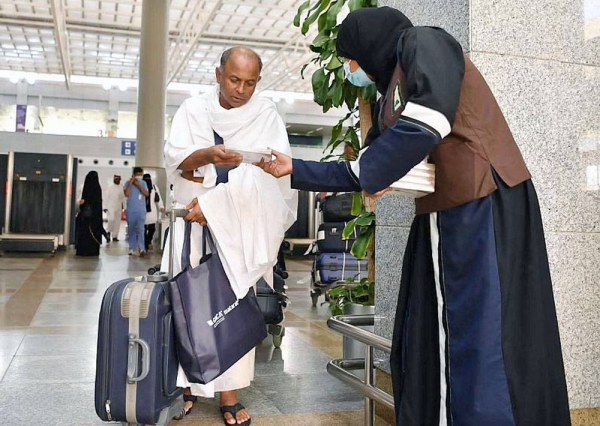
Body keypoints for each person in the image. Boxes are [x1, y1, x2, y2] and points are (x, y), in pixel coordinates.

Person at [255, 7, 570, 426]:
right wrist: (296, 168)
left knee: (483, 334)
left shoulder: (425, 41)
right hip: (448, 211)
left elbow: (427, 124)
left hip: (483, 202)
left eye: (350, 58)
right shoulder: (389, 94)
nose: (351, 69)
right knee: (436, 330)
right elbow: (369, 164)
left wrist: (375, 169)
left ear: (368, 44)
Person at [162, 46, 297, 425]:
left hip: (240, 227)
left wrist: (219, 199)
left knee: (233, 305)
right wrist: (207, 155)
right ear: (218, 73)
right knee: (187, 303)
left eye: (250, 82)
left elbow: (274, 175)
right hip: (192, 222)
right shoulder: (194, 110)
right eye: (234, 79)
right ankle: (185, 385)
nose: (241, 89)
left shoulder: (265, 114)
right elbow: (179, 162)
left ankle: (229, 393)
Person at [75, 171, 104, 256]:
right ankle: (93, 251)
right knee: (93, 233)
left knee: (85, 234)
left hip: (86, 217)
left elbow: (85, 201)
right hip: (95, 218)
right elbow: (96, 202)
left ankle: (84, 251)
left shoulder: (87, 188)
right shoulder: (98, 188)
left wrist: (84, 202)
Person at [124, 167, 149, 256]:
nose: (139, 176)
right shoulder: (127, 183)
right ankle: (132, 247)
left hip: (141, 210)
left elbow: (146, 194)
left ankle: (141, 248)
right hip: (131, 210)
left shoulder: (143, 183)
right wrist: (131, 183)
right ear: (134, 175)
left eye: (140, 175)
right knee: (131, 229)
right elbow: (126, 194)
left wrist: (138, 184)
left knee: (141, 229)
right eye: (138, 175)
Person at [142, 173, 164, 252]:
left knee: (152, 229)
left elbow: (159, 198)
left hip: (152, 212)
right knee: (143, 230)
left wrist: (161, 207)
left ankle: (148, 242)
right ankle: (145, 246)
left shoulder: (154, 187)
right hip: (142, 211)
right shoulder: (141, 187)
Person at [105, 174, 125, 242]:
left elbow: (123, 198)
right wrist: (105, 207)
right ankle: (108, 232)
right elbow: (106, 197)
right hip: (111, 206)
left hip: (118, 207)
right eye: (116, 179)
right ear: (114, 179)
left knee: (117, 222)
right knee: (111, 220)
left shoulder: (121, 187)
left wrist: (124, 207)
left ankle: (115, 236)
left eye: (119, 179)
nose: (118, 181)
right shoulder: (110, 187)